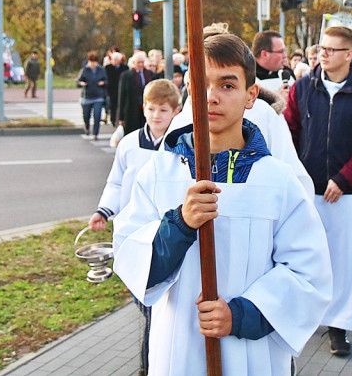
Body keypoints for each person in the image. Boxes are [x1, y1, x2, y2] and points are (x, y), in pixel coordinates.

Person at [113, 35, 332, 376]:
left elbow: (308, 273)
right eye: (200, 85)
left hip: (252, 352)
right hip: (180, 346)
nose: (211, 97)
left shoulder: (278, 182)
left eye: (227, 85)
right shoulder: (159, 173)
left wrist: (242, 314)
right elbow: (133, 260)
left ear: (250, 96)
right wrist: (180, 224)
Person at [284, 26, 352, 357]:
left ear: (349, 54)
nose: (322, 53)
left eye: (331, 49)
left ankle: (338, 327)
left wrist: (344, 179)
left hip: (346, 193)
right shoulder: (303, 88)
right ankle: (302, 319)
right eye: (321, 47)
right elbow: (289, 133)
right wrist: (296, 178)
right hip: (306, 190)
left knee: (342, 263)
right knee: (302, 257)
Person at [90, 79, 180, 376]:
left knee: (158, 309)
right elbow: (116, 182)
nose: (156, 115)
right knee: (147, 304)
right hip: (133, 235)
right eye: (151, 109)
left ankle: (149, 366)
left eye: (163, 110)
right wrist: (104, 210)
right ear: (143, 108)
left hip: (167, 235)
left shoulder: (181, 146)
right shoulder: (129, 144)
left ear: (175, 111)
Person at [118, 52, 153, 134]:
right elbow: (122, 95)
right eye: (138, 62)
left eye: (142, 62)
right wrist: (120, 116)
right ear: (133, 63)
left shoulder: (149, 74)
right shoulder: (126, 75)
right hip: (131, 109)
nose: (141, 64)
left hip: (145, 107)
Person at [77, 52, 107, 140]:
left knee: (97, 115)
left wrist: (103, 83)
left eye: (95, 62)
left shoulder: (101, 70)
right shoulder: (84, 70)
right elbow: (78, 81)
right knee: (86, 115)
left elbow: (106, 80)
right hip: (87, 97)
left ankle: (95, 133)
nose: (93, 64)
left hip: (98, 96)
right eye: (91, 62)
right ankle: (87, 127)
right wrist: (81, 83)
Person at [252, 30, 293, 94]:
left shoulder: (287, 74)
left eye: (285, 51)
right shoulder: (249, 78)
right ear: (264, 54)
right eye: (281, 52)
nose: (285, 56)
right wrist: (277, 99)